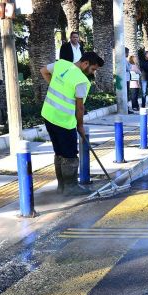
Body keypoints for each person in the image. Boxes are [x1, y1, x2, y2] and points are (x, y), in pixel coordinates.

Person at [40, 52, 104, 196]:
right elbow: (80, 107)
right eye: (93, 69)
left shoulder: (62, 64)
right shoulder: (81, 80)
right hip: (64, 121)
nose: (93, 72)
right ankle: (70, 187)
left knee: (59, 152)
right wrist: (80, 126)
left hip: (48, 115)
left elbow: (43, 71)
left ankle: (61, 186)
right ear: (85, 63)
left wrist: (55, 86)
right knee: (69, 154)